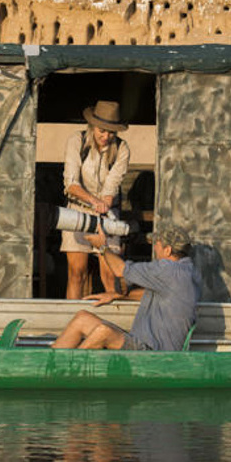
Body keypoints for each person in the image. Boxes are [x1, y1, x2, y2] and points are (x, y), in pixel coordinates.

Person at [52, 224, 201, 351]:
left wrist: (102, 247)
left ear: (168, 250)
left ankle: (64, 371)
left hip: (152, 353)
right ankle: (45, 365)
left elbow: (119, 270)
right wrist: (119, 295)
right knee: (82, 318)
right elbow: (159, 295)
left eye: (157, 244)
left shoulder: (167, 269)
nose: (155, 247)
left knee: (103, 332)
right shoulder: (188, 271)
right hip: (143, 344)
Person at [62, 100, 131, 299]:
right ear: (92, 127)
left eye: (111, 132)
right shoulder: (77, 140)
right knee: (77, 274)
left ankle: (112, 324)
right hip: (77, 211)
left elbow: (113, 184)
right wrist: (94, 201)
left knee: (111, 275)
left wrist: (104, 204)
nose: (106, 136)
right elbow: (71, 183)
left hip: (107, 212)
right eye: (102, 131)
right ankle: (73, 322)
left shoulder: (121, 148)